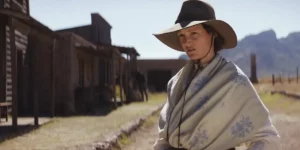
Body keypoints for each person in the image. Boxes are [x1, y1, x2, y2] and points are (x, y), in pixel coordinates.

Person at [152, 0, 280, 150]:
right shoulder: (176, 82)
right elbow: (164, 137)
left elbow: (266, 137)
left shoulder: (234, 81)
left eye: (194, 33)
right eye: (182, 35)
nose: (187, 42)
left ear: (213, 34)